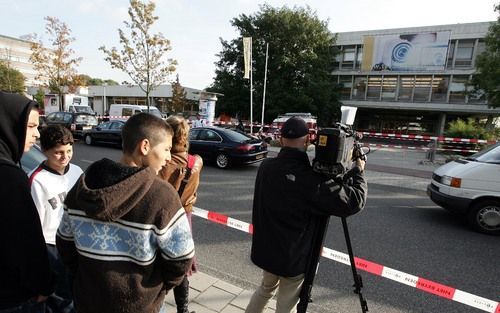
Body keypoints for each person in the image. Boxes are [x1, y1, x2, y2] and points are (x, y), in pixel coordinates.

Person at [56, 113, 195, 313]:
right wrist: (157, 288)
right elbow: (181, 259)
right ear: (145, 146)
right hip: (142, 306)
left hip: (88, 302)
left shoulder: (82, 185)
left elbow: (65, 245)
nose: (168, 157)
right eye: (166, 149)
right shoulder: (162, 196)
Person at [245, 117, 367, 313]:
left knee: (265, 289)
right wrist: (359, 171)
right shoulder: (311, 180)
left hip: (267, 251)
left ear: (281, 139)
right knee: (285, 306)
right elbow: (354, 201)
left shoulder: (266, 167)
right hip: (293, 260)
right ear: (308, 141)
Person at [0, 92, 54, 312]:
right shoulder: (9, 177)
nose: (37, 134)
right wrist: (44, 284)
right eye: (31, 126)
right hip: (14, 295)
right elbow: (26, 242)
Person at [28, 125, 83, 307]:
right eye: (58, 152)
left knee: (78, 295)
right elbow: (34, 228)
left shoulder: (77, 172)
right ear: (44, 151)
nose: (65, 157)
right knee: (61, 300)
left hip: (76, 243)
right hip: (52, 247)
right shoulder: (37, 180)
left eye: (69, 150)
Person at [159, 115, 203, 313]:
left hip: (163, 214)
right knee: (181, 264)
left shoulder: (163, 164)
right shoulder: (196, 162)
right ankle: (183, 310)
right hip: (185, 217)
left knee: (158, 261)